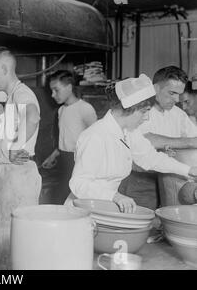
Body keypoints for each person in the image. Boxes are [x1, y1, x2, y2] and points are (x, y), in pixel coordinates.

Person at [67, 74, 197, 213]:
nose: (146, 118)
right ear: (129, 108)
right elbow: (79, 183)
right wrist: (115, 196)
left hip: (104, 207)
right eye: (144, 111)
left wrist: (188, 170)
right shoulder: (95, 136)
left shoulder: (129, 132)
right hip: (82, 209)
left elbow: (151, 158)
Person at [0, 47, 41, 270]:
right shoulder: (13, 95)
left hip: (16, 180)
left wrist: (17, 146)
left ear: (5, 69)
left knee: (11, 248)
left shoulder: (22, 94)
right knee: (6, 246)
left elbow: (33, 116)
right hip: (10, 179)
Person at [135, 66, 197, 207]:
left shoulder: (178, 114)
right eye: (172, 93)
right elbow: (146, 139)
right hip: (142, 182)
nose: (177, 99)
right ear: (155, 88)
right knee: (145, 223)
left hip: (170, 178)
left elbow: (195, 139)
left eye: (179, 94)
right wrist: (187, 143)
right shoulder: (139, 109)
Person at [41, 70, 97, 203]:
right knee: (61, 199)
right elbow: (65, 139)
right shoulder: (61, 110)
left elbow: (96, 140)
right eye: (51, 91)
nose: (53, 95)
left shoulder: (85, 108)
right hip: (64, 162)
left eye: (56, 90)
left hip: (79, 163)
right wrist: (53, 156)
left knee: (73, 200)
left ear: (69, 87)